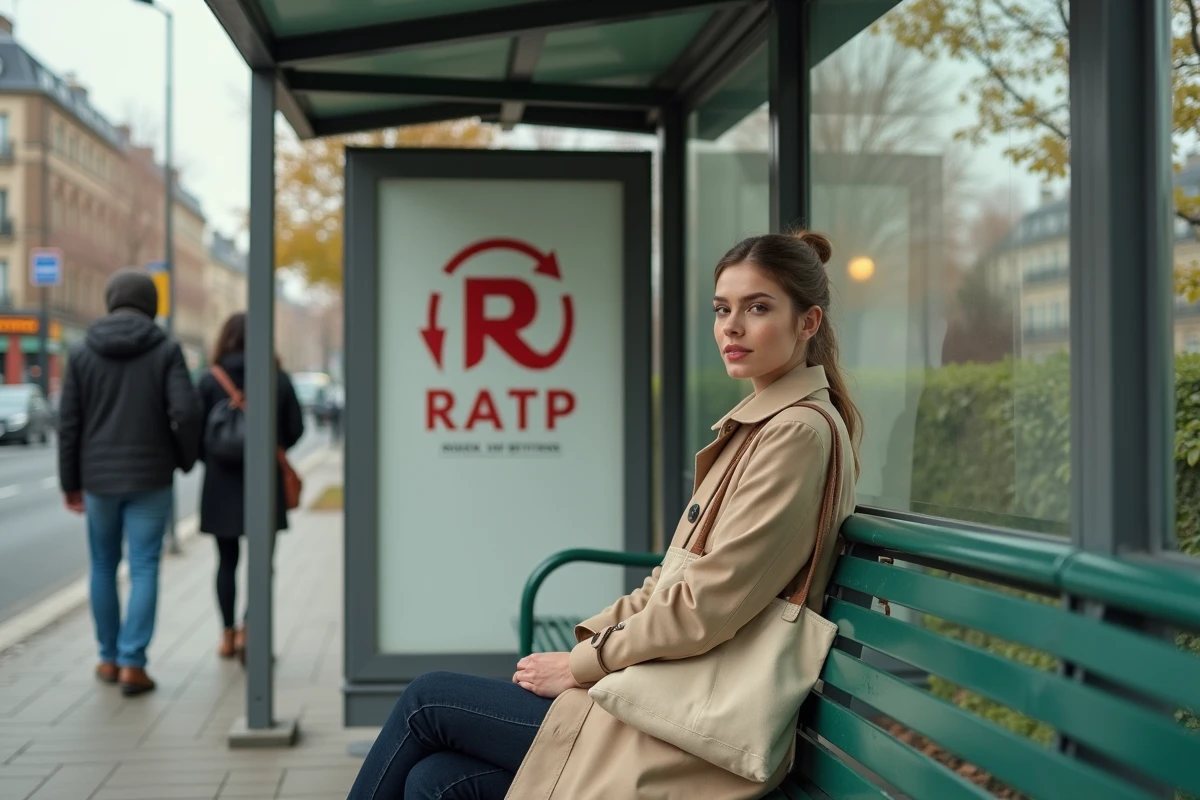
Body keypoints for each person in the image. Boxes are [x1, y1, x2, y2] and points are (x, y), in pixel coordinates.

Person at [344, 231, 863, 800]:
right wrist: (586, 653)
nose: (731, 327)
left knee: (427, 700)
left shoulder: (794, 433)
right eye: (722, 309)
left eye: (757, 308)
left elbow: (707, 604)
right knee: (438, 781)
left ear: (808, 322)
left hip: (691, 722)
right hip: (669, 692)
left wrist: (584, 664)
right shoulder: (764, 425)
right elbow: (672, 581)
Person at [58, 269, 204, 696]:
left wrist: (71, 482)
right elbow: (188, 412)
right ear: (151, 305)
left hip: (98, 478)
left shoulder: (81, 351)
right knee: (143, 566)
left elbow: (69, 423)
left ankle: (106, 656)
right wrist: (181, 458)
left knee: (103, 565)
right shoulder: (166, 350)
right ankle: (133, 664)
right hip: (150, 475)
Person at [196, 312, 304, 661]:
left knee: (226, 561)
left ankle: (227, 636)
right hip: (265, 483)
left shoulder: (210, 380)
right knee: (262, 564)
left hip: (220, 484)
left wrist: (213, 457)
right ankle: (249, 630)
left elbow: (194, 432)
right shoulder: (277, 377)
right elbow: (295, 429)